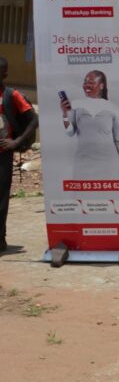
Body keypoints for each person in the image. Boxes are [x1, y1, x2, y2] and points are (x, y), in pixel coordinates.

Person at [60, 70, 119, 181]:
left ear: (101, 86)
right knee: (82, 195)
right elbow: (70, 132)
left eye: (91, 82)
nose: (87, 85)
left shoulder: (112, 108)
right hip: (82, 162)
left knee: (105, 194)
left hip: (107, 163)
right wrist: (65, 114)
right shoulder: (76, 105)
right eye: (85, 82)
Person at [0, 56, 39, 252]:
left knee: (1, 198)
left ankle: (0, 239)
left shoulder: (11, 95)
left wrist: (16, 141)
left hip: (2, 156)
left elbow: (33, 119)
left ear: (4, 74)